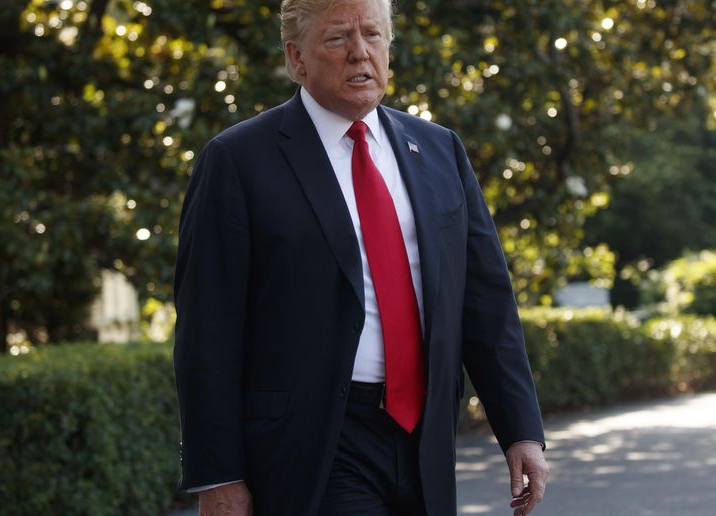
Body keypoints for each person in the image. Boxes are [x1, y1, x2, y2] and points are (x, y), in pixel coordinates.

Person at [173, 0, 549, 514]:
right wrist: (217, 476)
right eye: (337, 39)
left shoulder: (440, 151)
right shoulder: (238, 161)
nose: (360, 53)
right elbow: (206, 332)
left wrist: (521, 430)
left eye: (373, 35)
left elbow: (487, 304)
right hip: (314, 445)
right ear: (296, 58)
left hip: (424, 437)